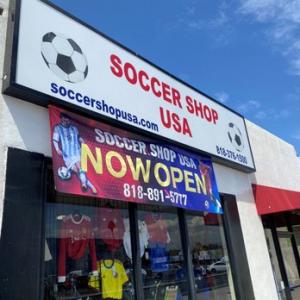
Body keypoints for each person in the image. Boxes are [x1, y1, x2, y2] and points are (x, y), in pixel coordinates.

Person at [52, 112, 97, 194]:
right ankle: (91, 186)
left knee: (80, 168)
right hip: (67, 155)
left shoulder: (74, 128)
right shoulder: (57, 128)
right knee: (77, 171)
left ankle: (84, 184)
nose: (65, 121)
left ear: (69, 120)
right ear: (61, 119)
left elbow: (78, 137)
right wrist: (57, 149)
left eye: (66, 119)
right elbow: (55, 139)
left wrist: (81, 141)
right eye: (63, 119)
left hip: (76, 152)